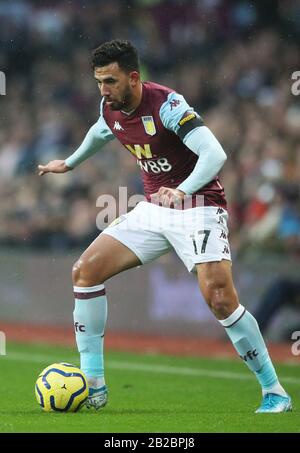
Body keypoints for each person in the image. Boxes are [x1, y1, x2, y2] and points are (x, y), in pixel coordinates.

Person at [38, 39, 291, 413]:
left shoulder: (168, 105)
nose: (103, 91)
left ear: (134, 78)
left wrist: (183, 190)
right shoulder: (111, 107)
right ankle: (94, 387)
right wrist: (70, 163)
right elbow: (100, 131)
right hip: (156, 209)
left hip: (200, 205)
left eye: (110, 81)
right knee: (85, 271)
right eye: (98, 82)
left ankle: (274, 391)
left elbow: (215, 154)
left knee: (220, 299)